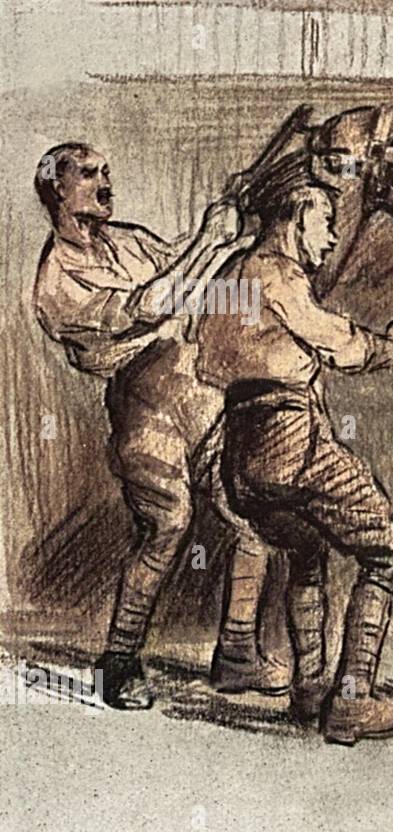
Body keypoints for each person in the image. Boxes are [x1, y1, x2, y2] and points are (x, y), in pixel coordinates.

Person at [32, 142, 288, 709]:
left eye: (107, 169)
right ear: (58, 192)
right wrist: (208, 238)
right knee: (169, 525)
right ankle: (118, 662)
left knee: (252, 515)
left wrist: (247, 243)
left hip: (203, 401)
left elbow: (194, 276)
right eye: (91, 175)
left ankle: (237, 652)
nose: (106, 180)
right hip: (147, 416)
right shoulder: (56, 282)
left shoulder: (127, 240)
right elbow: (153, 303)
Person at [195, 183, 393, 744]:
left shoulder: (230, 277)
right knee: (384, 552)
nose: (330, 240)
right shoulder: (278, 275)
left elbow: (208, 361)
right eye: (324, 224)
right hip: (290, 440)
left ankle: (310, 689)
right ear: (297, 216)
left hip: (240, 456)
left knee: (305, 548)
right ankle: (351, 700)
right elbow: (341, 347)